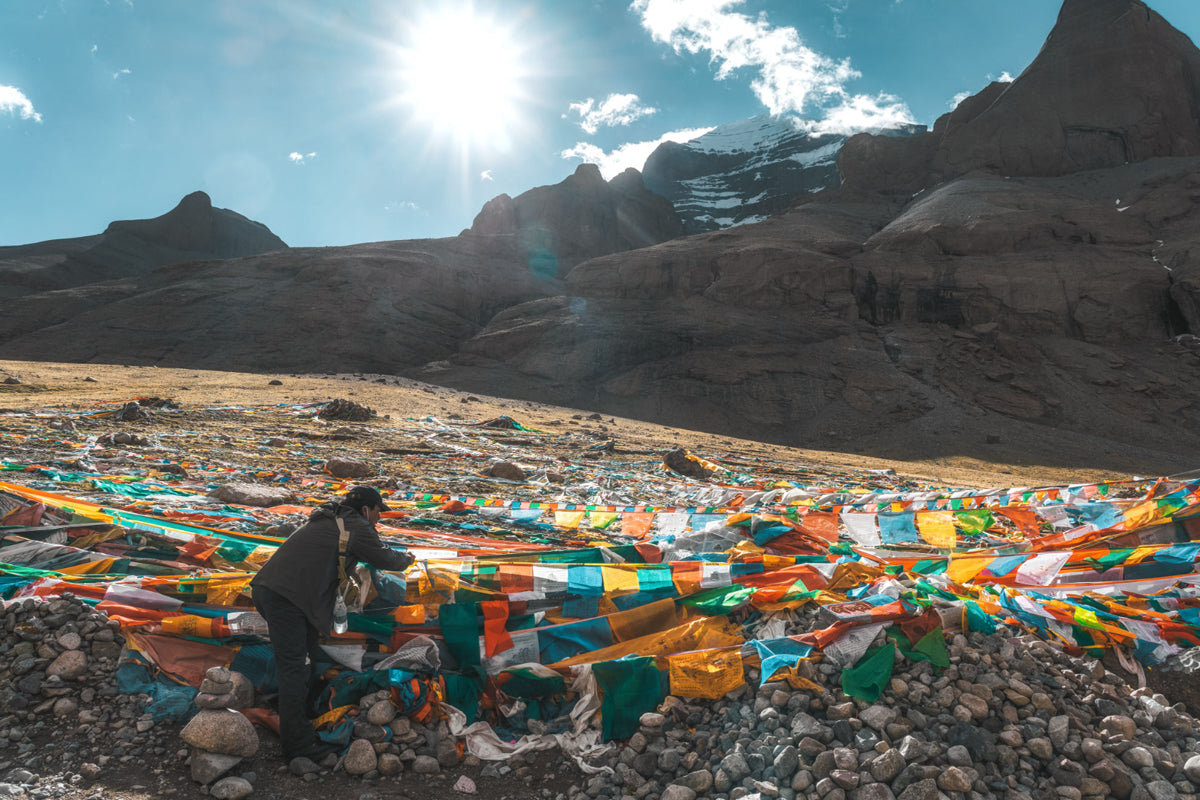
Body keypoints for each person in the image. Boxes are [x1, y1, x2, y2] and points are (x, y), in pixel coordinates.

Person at [250, 485, 414, 761]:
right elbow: (386, 558)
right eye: (377, 512)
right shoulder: (356, 527)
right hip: (287, 600)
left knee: (308, 656)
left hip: (277, 593)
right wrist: (407, 559)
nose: (378, 519)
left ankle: (302, 715)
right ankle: (298, 747)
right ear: (366, 509)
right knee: (295, 668)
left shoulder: (327, 519)